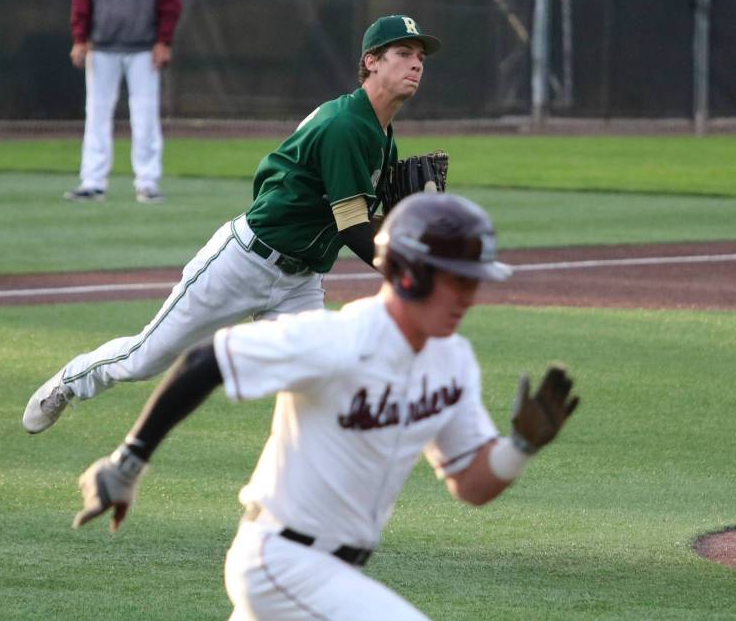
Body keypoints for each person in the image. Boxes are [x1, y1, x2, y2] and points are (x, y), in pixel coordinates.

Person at [71, 193, 580, 621]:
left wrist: (518, 448)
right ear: (408, 273)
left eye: (475, 281)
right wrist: (128, 463)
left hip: (331, 574)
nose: (471, 296)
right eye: (459, 280)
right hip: (279, 562)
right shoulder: (338, 339)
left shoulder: (453, 361)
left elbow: (470, 482)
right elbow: (206, 360)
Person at [23, 14, 442, 434]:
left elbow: (357, 216)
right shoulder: (347, 126)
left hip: (300, 281)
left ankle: (295, 486)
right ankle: (70, 382)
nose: (416, 64)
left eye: (420, 56)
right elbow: (352, 227)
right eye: (403, 53)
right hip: (245, 262)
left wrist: (404, 220)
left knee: (323, 379)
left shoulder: (382, 134)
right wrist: (409, 273)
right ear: (371, 61)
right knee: (145, 358)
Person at [65, 0, 182, 204]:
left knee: (145, 114)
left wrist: (164, 39)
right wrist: (80, 37)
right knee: (96, 111)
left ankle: (147, 182)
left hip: (144, 46)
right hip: (101, 43)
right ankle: (93, 181)